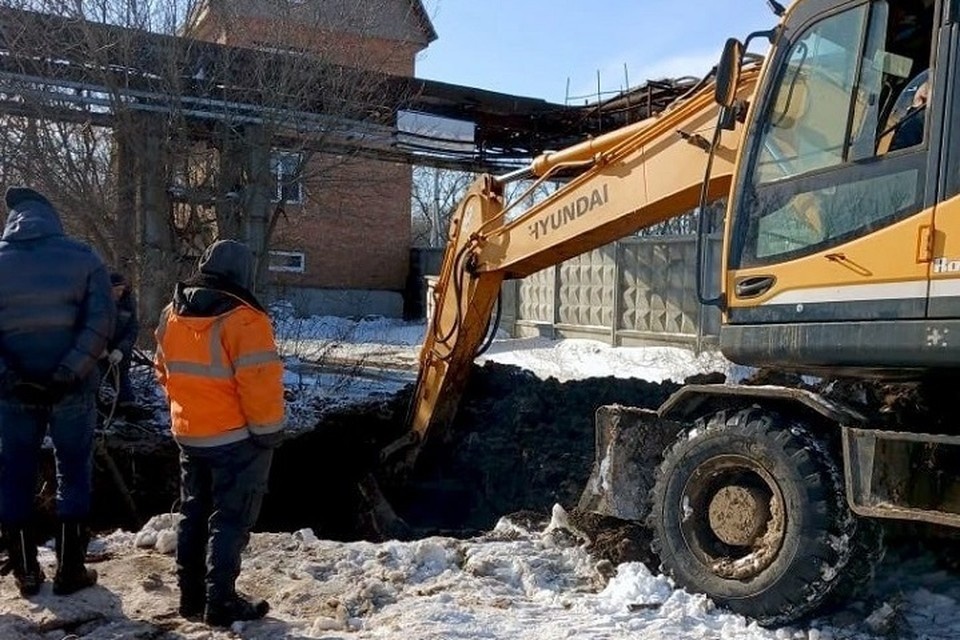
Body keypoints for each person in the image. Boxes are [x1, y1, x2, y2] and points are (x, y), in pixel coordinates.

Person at [154, 239, 285, 627]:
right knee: (230, 520)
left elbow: (165, 373)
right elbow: (258, 387)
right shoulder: (245, 320)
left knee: (193, 514)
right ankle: (220, 602)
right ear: (244, 273)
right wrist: (269, 434)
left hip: (189, 435)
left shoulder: (170, 313)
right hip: (236, 440)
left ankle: (190, 598)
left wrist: (192, 412)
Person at [0, 186, 114, 597]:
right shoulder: (83, 258)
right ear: (53, 217)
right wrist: (70, 369)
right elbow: (102, 319)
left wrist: (10, 376)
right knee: (73, 469)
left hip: (14, 392)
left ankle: (26, 571)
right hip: (72, 387)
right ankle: (70, 569)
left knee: (15, 471)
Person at [102, 271, 139, 417]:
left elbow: (132, 330)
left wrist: (120, 350)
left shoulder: (128, 303)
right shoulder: (97, 303)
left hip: (119, 353)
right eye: (116, 290)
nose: (119, 293)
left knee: (121, 380)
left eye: (121, 290)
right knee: (93, 381)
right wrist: (99, 347)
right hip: (98, 352)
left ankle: (127, 407)